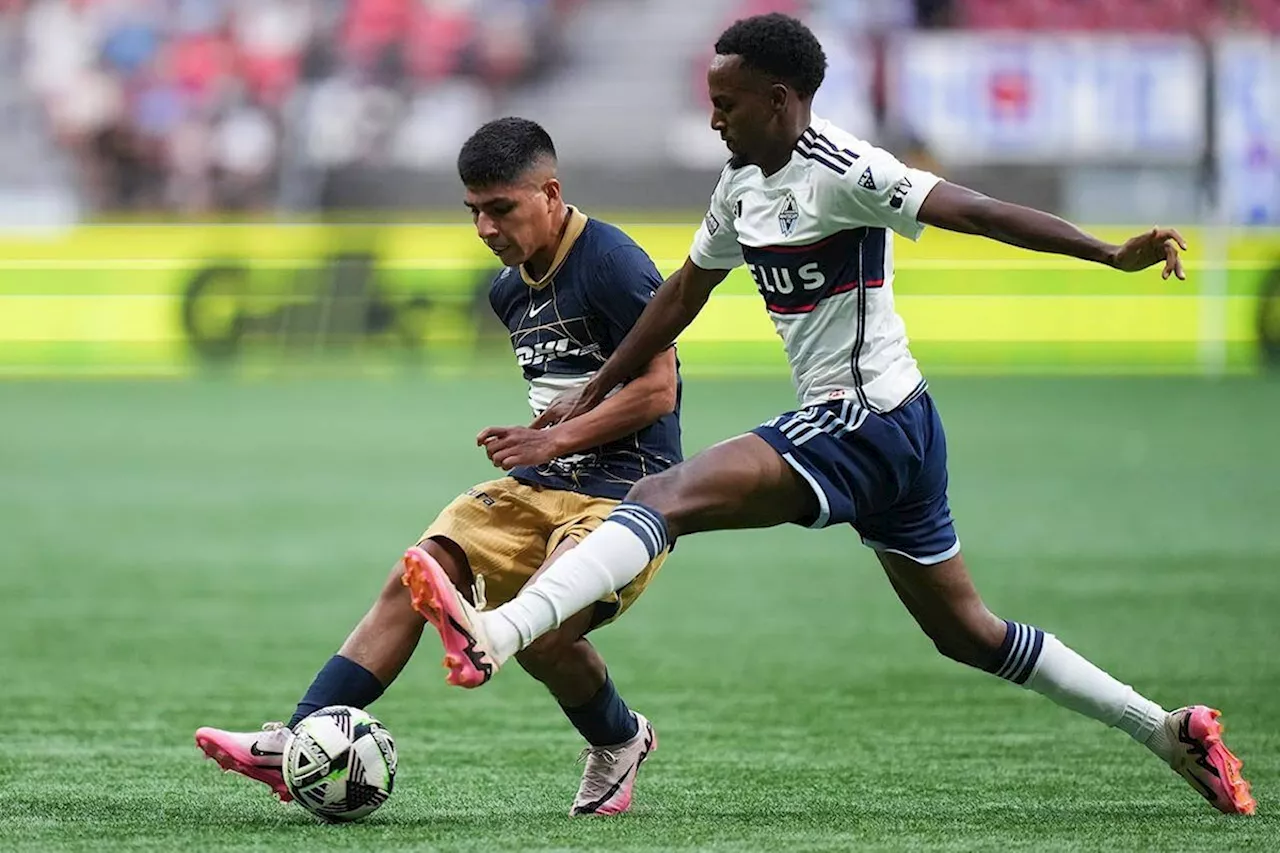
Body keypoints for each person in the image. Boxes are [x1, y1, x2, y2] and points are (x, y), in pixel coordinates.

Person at [401, 15, 1255, 816]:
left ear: (780, 99)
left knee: (660, 498)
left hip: (866, 418)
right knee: (968, 632)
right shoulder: (740, 185)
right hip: (901, 429)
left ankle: (498, 632)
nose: (713, 121)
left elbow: (981, 212)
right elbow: (679, 299)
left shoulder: (846, 167)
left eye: (725, 104)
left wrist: (1108, 252)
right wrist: (593, 392)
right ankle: (1168, 730)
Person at [196, 117, 681, 817]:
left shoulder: (611, 260)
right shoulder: (508, 290)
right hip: (543, 484)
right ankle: (300, 735)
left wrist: (550, 441)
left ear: (551, 192)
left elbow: (658, 389)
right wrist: (543, 446)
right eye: (473, 211)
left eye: (500, 208)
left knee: (546, 636)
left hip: (630, 493)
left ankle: (620, 738)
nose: (484, 227)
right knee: (417, 574)